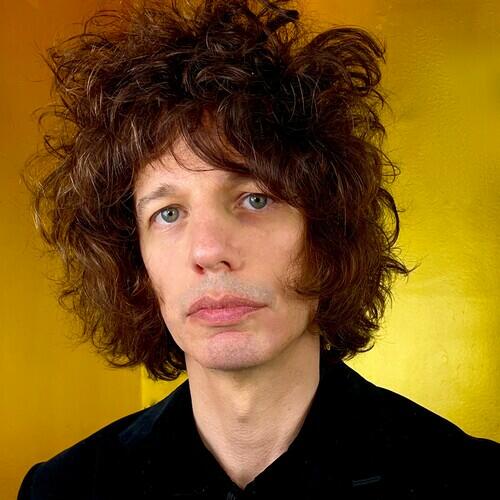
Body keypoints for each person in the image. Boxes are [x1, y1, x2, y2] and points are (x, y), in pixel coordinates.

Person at [18, 0, 498, 498]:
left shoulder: (472, 481)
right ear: (135, 258)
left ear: (325, 230)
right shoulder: (61, 490)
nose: (209, 251)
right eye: (169, 213)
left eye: (255, 198)